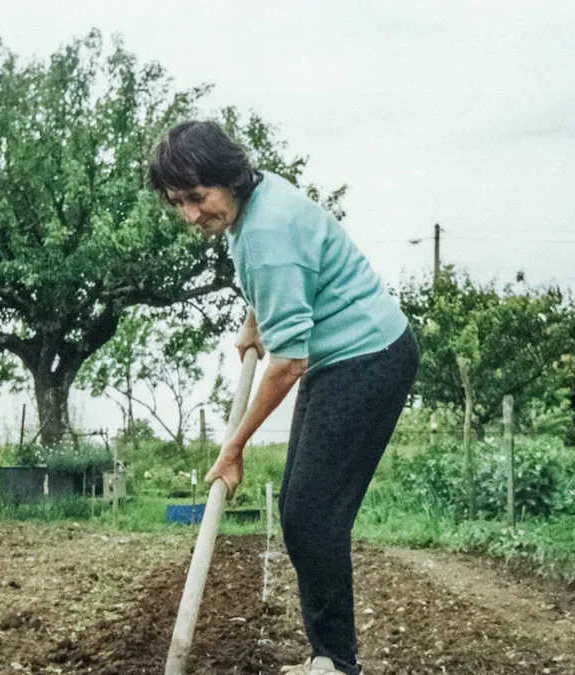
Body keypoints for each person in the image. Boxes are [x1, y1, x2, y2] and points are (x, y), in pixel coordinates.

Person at [148, 120, 419, 675]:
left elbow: (288, 363)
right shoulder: (253, 204)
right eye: (178, 203)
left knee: (313, 517)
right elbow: (287, 279)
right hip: (339, 355)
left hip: (367, 356)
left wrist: (233, 447)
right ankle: (328, 657)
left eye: (196, 197)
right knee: (300, 512)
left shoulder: (266, 230)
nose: (190, 215)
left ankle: (335, 665)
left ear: (228, 177)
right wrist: (255, 319)